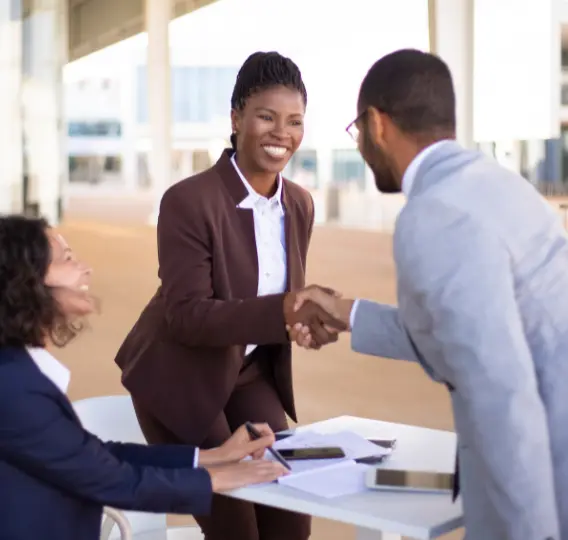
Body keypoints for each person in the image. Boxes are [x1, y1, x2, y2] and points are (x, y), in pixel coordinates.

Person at [290, 49, 566, 540]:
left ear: (377, 124)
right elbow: (462, 329)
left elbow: (498, 392)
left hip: (545, 489)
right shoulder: (502, 187)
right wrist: (348, 313)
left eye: (357, 131)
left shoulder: (434, 214)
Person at [113, 51, 343, 540]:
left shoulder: (299, 204)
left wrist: (302, 323)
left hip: (248, 371)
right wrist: (284, 311)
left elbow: (270, 300)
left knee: (289, 511)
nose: (281, 133)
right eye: (266, 117)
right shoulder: (187, 201)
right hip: (178, 373)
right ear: (236, 118)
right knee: (235, 524)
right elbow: (187, 316)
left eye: (294, 121)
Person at [0, 215, 289, 540]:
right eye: (68, 259)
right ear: (26, 283)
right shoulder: (16, 389)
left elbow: (95, 455)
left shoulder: (18, 375)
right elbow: (110, 478)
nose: (85, 269)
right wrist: (218, 479)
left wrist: (213, 457)